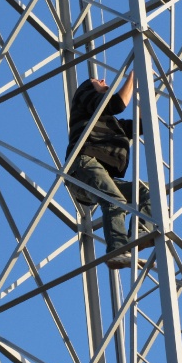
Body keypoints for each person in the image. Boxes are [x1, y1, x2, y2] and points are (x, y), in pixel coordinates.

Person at [66, 71, 154, 269]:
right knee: (115, 201)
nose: (102, 80)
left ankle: (141, 233)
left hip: (98, 173)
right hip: (83, 166)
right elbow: (118, 104)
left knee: (149, 192)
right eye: (96, 81)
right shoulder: (83, 96)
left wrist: (142, 94)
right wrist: (134, 76)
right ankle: (117, 251)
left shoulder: (113, 124)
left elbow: (143, 126)